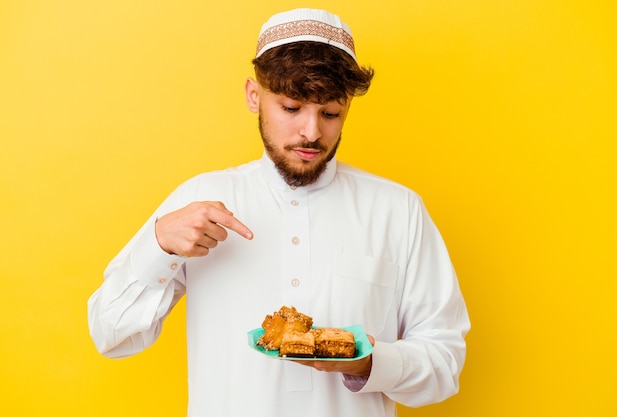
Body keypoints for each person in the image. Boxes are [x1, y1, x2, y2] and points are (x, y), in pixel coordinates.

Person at [88, 8, 470, 417]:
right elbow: (111, 335)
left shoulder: (399, 211)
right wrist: (159, 245)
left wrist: (367, 363)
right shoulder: (202, 198)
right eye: (291, 108)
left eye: (330, 113)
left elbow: (445, 363)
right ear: (255, 96)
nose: (311, 132)